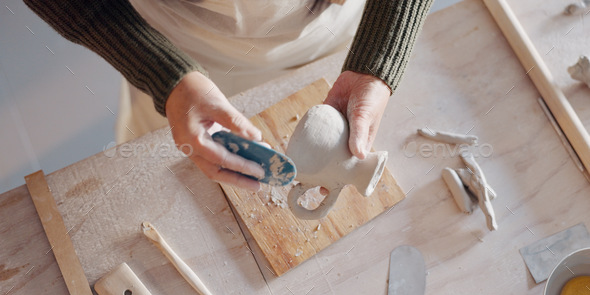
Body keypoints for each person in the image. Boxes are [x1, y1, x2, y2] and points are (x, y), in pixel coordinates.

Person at [23, 0, 433, 191]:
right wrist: (164, 75)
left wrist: (379, 58)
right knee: (164, 180)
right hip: (181, 48)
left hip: (333, 38)